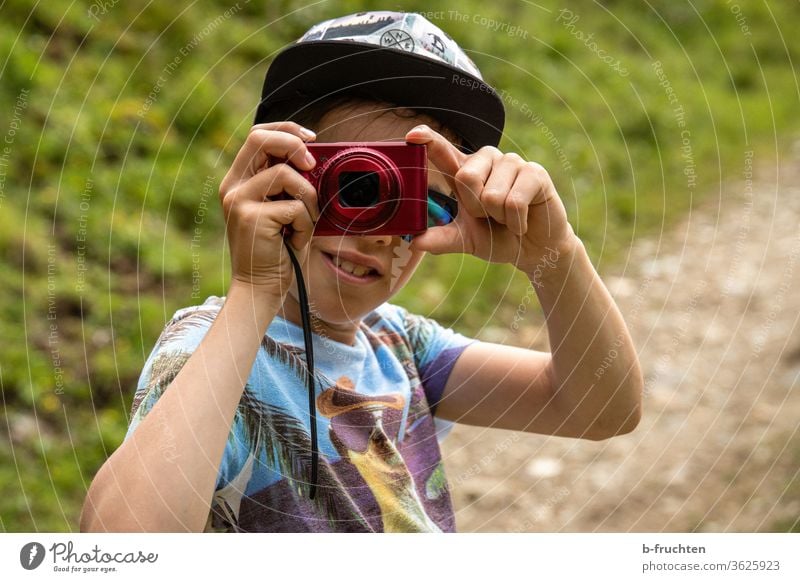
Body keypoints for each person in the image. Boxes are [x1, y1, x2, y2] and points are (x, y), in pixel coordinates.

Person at [80, 11, 642, 533]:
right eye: (356, 186)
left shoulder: (401, 346)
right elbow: (119, 546)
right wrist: (255, 289)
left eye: (420, 203)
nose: (377, 232)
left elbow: (601, 408)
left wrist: (555, 255)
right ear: (277, 178)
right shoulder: (210, 351)